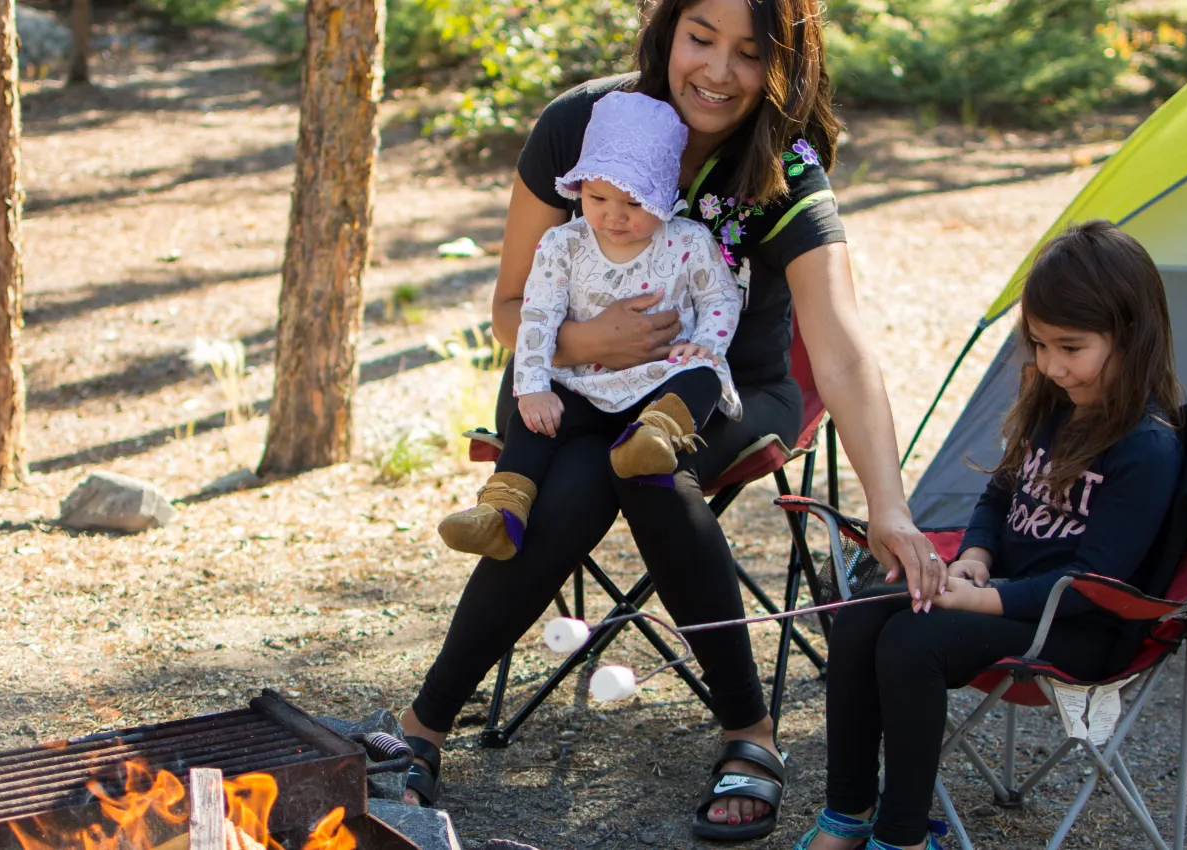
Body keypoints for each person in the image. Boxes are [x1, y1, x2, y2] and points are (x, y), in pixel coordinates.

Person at [400, 0, 945, 840]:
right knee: (587, 469)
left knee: (640, 465)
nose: (719, 71)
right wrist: (593, 340)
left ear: (784, 64)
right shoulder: (581, 125)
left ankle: (744, 734)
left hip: (720, 383)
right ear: (665, 31)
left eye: (750, 52)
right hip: (572, 378)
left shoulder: (782, 165)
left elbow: (840, 351)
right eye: (701, 38)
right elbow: (513, 307)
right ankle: (424, 730)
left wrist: (890, 507)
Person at [800, 221, 1186, 850]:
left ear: (1132, 335)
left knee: (912, 640)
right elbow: (1000, 494)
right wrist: (977, 557)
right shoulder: (1056, 405)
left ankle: (902, 837)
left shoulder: (1145, 447)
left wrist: (978, 598)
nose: (1052, 366)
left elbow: (1091, 586)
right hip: (1010, 599)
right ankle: (847, 812)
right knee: (864, 610)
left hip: (1083, 628)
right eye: (1038, 345)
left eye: (1071, 347)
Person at [437, 91, 744, 562]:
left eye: (633, 202)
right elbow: (537, 316)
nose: (613, 215)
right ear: (580, 189)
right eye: (598, 197)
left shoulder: (688, 243)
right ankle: (500, 510)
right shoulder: (564, 245)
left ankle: (655, 437)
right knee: (534, 419)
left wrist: (704, 343)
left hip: (657, 383)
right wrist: (534, 385)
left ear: (663, 196)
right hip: (583, 384)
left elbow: (720, 296)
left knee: (702, 374)